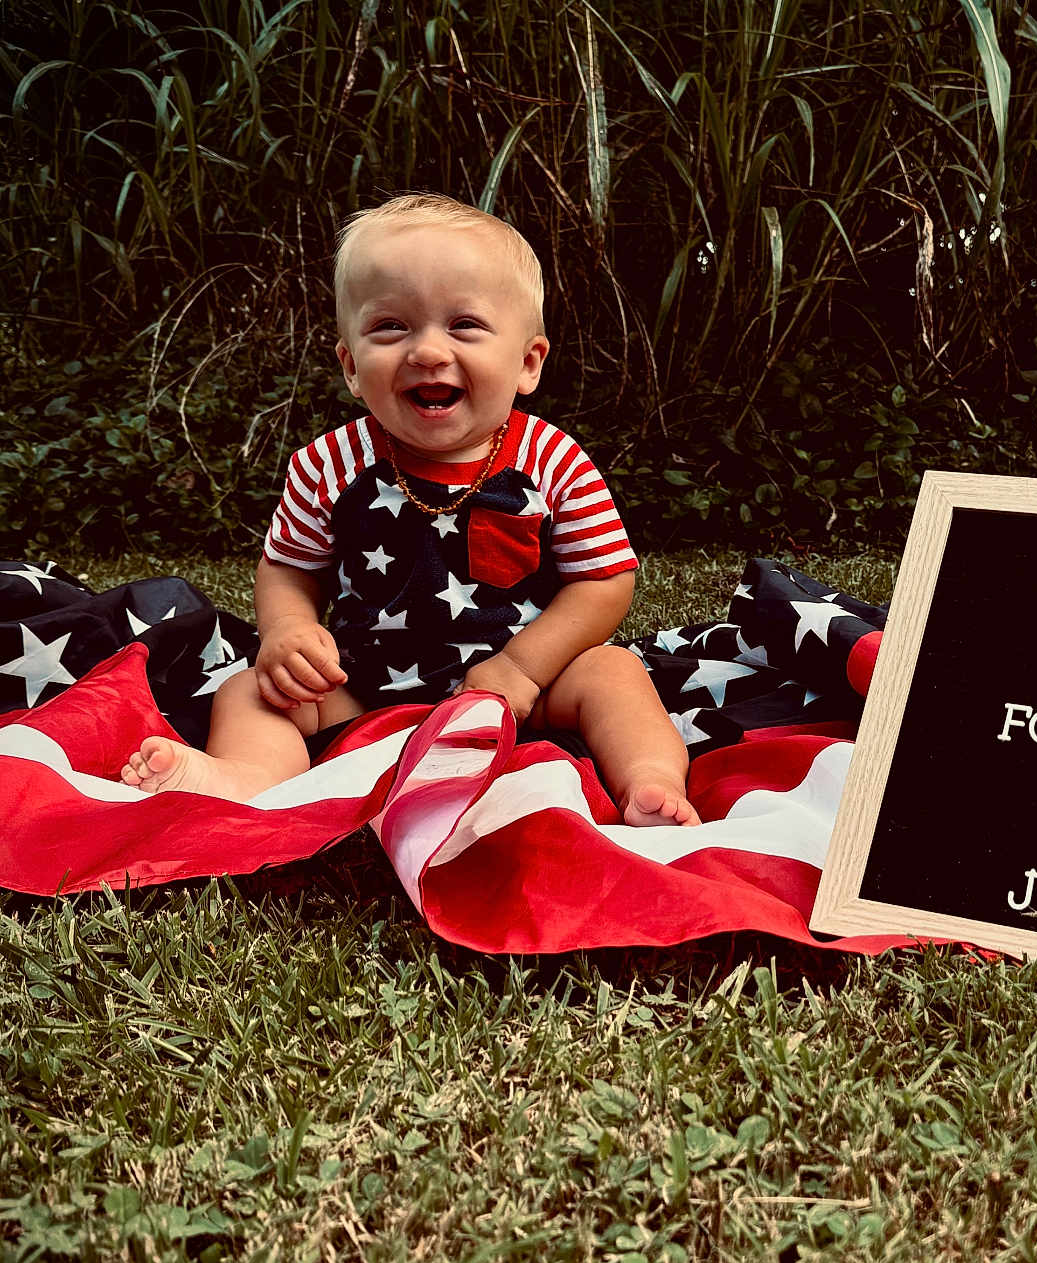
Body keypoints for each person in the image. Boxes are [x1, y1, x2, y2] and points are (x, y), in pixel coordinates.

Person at [121, 193, 699, 826]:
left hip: (520, 686)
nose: (426, 351)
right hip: (364, 684)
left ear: (528, 362)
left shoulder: (551, 459)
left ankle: (649, 782)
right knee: (251, 690)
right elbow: (288, 568)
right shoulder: (329, 463)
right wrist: (288, 629)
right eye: (391, 327)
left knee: (613, 673)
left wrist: (521, 668)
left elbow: (603, 580)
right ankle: (246, 776)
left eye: (464, 326)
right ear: (349, 364)